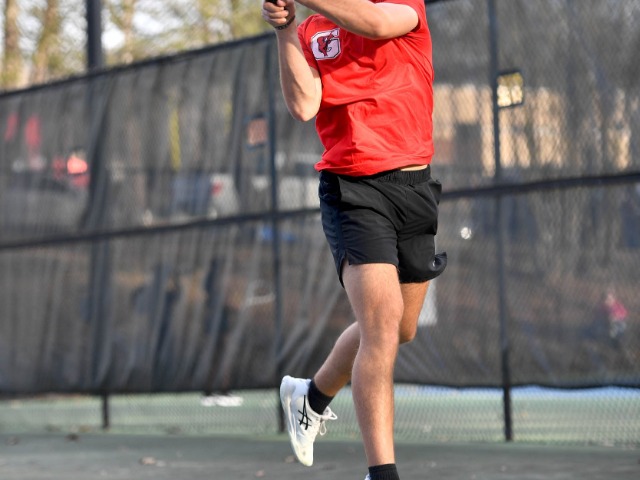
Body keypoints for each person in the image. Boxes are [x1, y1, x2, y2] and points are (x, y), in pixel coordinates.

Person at [262, 1, 447, 479]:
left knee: (400, 328)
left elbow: (376, 24)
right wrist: (286, 30)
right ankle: (381, 474)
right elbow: (304, 106)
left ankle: (311, 396)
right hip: (353, 190)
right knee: (381, 326)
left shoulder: (401, 6)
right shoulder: (314, 30)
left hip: (415, 188)